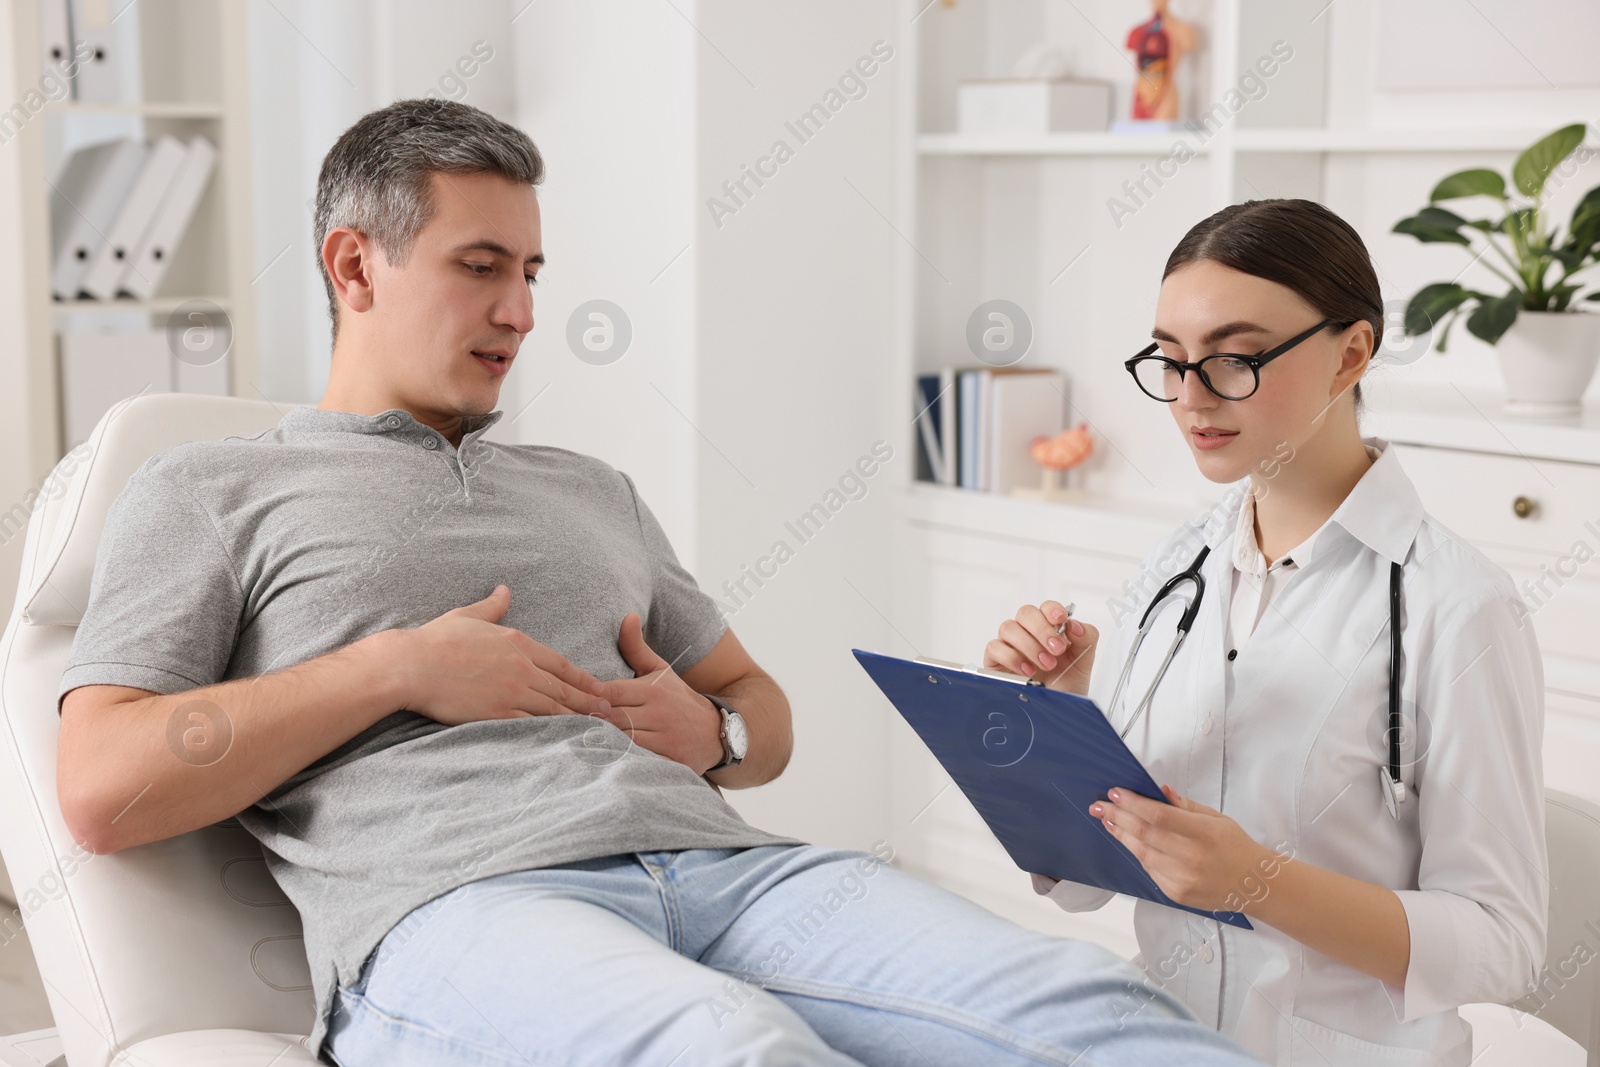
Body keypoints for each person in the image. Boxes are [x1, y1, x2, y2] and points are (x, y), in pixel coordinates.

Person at [54, 99, 1262, 1067]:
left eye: (532, 269)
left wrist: (716, 729)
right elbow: (103, 786)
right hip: (462, 906)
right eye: (482, 267)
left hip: (736, 871)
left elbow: (760, 710)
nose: (522, 311)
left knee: (1092, 1006)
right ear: (353, 265)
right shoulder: (207, 489)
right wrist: (395, 667)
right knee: (732, 1047)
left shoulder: (589, 486)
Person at [985, 198, 1548, 1066]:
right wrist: (1061, 717)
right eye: (1170, 362)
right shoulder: (1174, 569)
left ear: (1351, 352)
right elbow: (1086, 885)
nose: (1190, 399)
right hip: (1162, 1038)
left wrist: (1259, 881)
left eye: (1236, 359)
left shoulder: (1459, 606)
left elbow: (1502, 942)